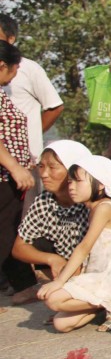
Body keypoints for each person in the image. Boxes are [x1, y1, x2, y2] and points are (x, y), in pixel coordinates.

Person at [37, 156, 111, 332]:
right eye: (69, 182)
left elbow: (84, 247)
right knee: (61, 324)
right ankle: (106, 306)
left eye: (78, 181)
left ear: (100, 184)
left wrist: (59, 282)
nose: (71, 187)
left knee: (53, 299)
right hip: (100, 276)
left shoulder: (105, 208)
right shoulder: (92, 209)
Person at [9, 141, 92, 305]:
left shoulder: (92, 201)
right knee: (37, 243)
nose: (44, 174)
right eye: (41, 166)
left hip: (94, 265)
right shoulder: (44, 201)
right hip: (65, 264)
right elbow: (18, 248)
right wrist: (52, 259)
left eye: (52, 167)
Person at [0, 14, 64, 212]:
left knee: (20, 221)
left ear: (11, 39)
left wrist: (31, 136)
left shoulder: (28, 69)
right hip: (9, 169)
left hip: (24, 165)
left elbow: (54, 106)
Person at [0, 42, 34, 295]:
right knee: (5, 231)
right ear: (3, 66)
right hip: (4, 174)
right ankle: (24, 284)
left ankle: (24, 284)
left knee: (9, 228)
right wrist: (14, 166)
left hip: (11, 172)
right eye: (15, 68)